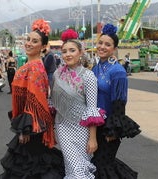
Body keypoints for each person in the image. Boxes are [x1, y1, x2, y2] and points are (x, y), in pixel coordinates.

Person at [0, 19, 64, 179]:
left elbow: (33, 100)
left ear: (43, 47)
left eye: (34, 41)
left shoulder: (35, 68)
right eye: (28, 39)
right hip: (31, 124)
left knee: (30, 169)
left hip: (32, 128)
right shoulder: (29, 65)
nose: (29, 43)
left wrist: (24, 130)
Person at [51, 29, 105, 179]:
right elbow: (53, 101)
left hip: (82, 129)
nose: (67, 54)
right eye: (64, 51)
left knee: (79, 166)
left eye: (72, 50)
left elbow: (92, 109)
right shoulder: (57, 75)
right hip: (62, 126)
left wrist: (92, 138)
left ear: (80, 52)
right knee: (73, 165)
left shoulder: (88, 76)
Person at [91, 23, 141, 179]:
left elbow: (119, 103)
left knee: (103, 165)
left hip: (108, 127)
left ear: (114, 48)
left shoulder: (117, 71)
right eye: (100, 43)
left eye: (107, 44)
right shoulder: (96, 67)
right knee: (98, 165)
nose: (102, 47)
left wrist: (113, 130)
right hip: (94, 126)